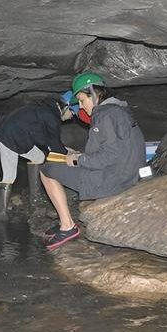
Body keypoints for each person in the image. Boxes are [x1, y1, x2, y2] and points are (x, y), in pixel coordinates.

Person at [40, 72, 145, 250]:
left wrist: (76, 161)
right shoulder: (119, 111)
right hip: (129, 175)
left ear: (94, 93)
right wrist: (81, 156)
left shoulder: (104, 115)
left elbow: (108, 156)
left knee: (47, 169)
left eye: (82, 100)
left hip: (112, 180)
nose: (81, 107)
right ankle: (64, 221)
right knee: (62, 165)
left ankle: (67, 227)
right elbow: (114, 149)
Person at [0, 100, 70, 220]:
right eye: (72, 113)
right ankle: (2, 214)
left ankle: (35, 199)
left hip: (7, 133)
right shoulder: (51, 116)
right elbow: (53, 144)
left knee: (38, 157)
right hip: (8, 139)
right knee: (9, 175)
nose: (71, 117)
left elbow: (41, 136)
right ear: (66, 108)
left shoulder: (43, 108)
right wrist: (67, 154)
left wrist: (60, 149)